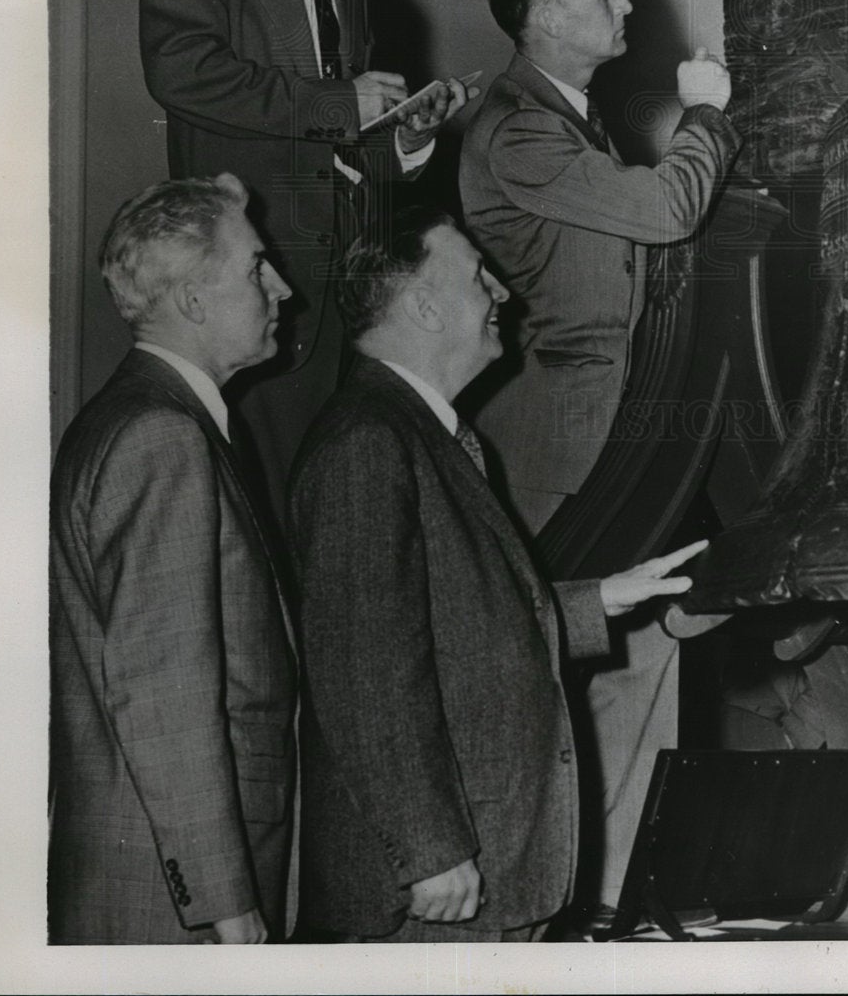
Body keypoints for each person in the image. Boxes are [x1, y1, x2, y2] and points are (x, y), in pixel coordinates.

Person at [289, 206, 704, 942]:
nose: (502, 294)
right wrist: (428, 850)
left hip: (485, 875)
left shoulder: (423, 434)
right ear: (423, 305)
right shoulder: (367, 441)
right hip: (435, 894)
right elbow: (365, 670)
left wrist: (604, 598)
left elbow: (459, 622)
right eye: (479, 274)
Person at [459, 0, 741, 918]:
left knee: (650, 659)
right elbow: (668, 211)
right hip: (559, 462)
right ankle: (542, 919)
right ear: (543, 15)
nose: (626, 7)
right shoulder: (518, 128)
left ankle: (613, 913)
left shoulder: (580, 120)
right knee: (553, 695)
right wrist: (706, 117)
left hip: (626, 448)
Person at [139, 0, 473, 533]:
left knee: (340, 518)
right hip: (253, 285)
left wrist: (406, 137)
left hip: (349, 290)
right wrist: (339, 103)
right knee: (263, 521)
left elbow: (348, 141)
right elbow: (182, 71)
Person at [50, 174, 296, 944]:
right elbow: (163, 691)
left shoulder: (135, 418)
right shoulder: (163, 437)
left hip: (155, 869)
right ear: (192, 300)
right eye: (257, 267)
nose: (282, 288)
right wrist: (226, 903)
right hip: (172, 899)